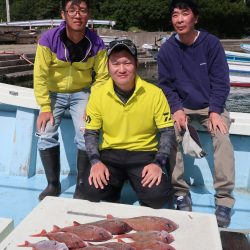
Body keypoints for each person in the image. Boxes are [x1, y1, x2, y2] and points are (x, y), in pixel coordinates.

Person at [157, 0, 235, 227]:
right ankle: (180, 192)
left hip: (210, 104)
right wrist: (177, 108)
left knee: (221, 137)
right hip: (181, 105)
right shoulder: (167, 50)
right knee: (170, 135)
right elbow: (165, 85)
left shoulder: (211, 44)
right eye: (175, 15)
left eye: (184, 14)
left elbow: (221, 81)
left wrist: (214, 111)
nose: (179, 19)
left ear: (195, 18)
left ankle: (225, 200)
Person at [81, 39, 176, 209]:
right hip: (110, 154)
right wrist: (95, 162)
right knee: (90, 192)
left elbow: (167, 131)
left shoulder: (155, 93)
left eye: (127, 62)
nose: (122, 69)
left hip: (144, 154)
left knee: (159, 196)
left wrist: (158, 163)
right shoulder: (98, 94)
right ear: (108, 66)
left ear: (136, 64)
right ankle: (113, 193)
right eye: (115, 63)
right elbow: (91, 133)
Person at [34, 0, 108, 201]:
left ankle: (82, 186)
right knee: (45, 133)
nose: (78, 15)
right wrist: (45, 107)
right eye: (72, 10)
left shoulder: (97, 43)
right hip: (53, 93)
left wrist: (92, 105)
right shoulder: (48, 39)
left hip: (82, 93)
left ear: (88, 14)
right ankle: (53, 184)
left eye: (82, 10)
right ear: (63, 14)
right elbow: (40, 75)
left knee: (86, 133)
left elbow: (102, 77)